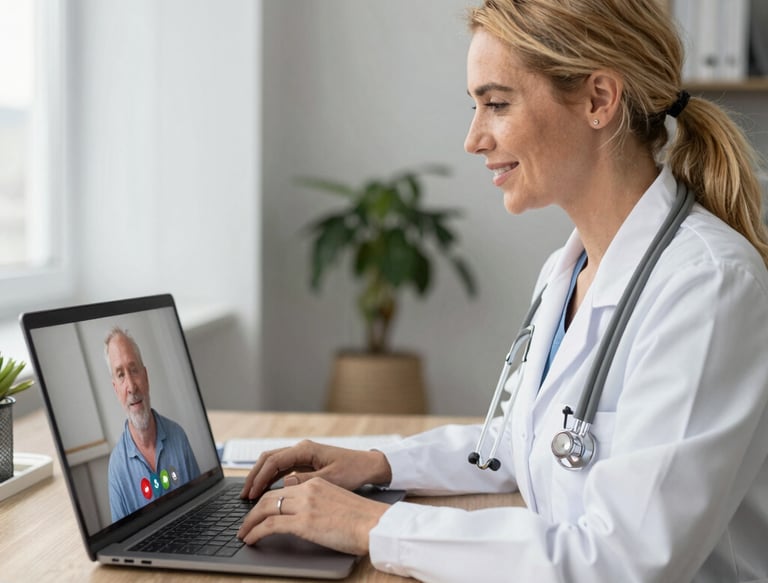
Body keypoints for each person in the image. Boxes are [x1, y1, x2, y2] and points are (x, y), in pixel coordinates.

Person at [237, 1, 768, 581]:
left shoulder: (707, 287)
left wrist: (371, 526)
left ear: (598, 99)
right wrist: (377, 463)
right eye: (476, 106)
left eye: (496, 104)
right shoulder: (566, 272)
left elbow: (626, 561)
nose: (472, 139)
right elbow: (524, 443)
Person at [106, 326, 200, 522]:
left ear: (146, 376)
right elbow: (122, 543)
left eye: (134, 370)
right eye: (121, 375)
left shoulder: (178, 436)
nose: (131, 387)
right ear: (116, 389)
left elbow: (201, 508)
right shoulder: (116, 466)